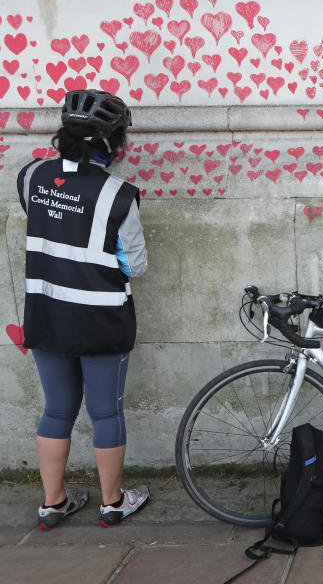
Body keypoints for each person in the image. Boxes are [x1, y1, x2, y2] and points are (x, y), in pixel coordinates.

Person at [17, 89, 150, 529]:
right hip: (100, 319)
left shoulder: (31, 176)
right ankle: (113, 502)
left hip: (46, 313)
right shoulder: (120, 194)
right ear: (111, 144)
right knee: (105, 411)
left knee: (57, 408)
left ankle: (53, 502)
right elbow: (136, 265)